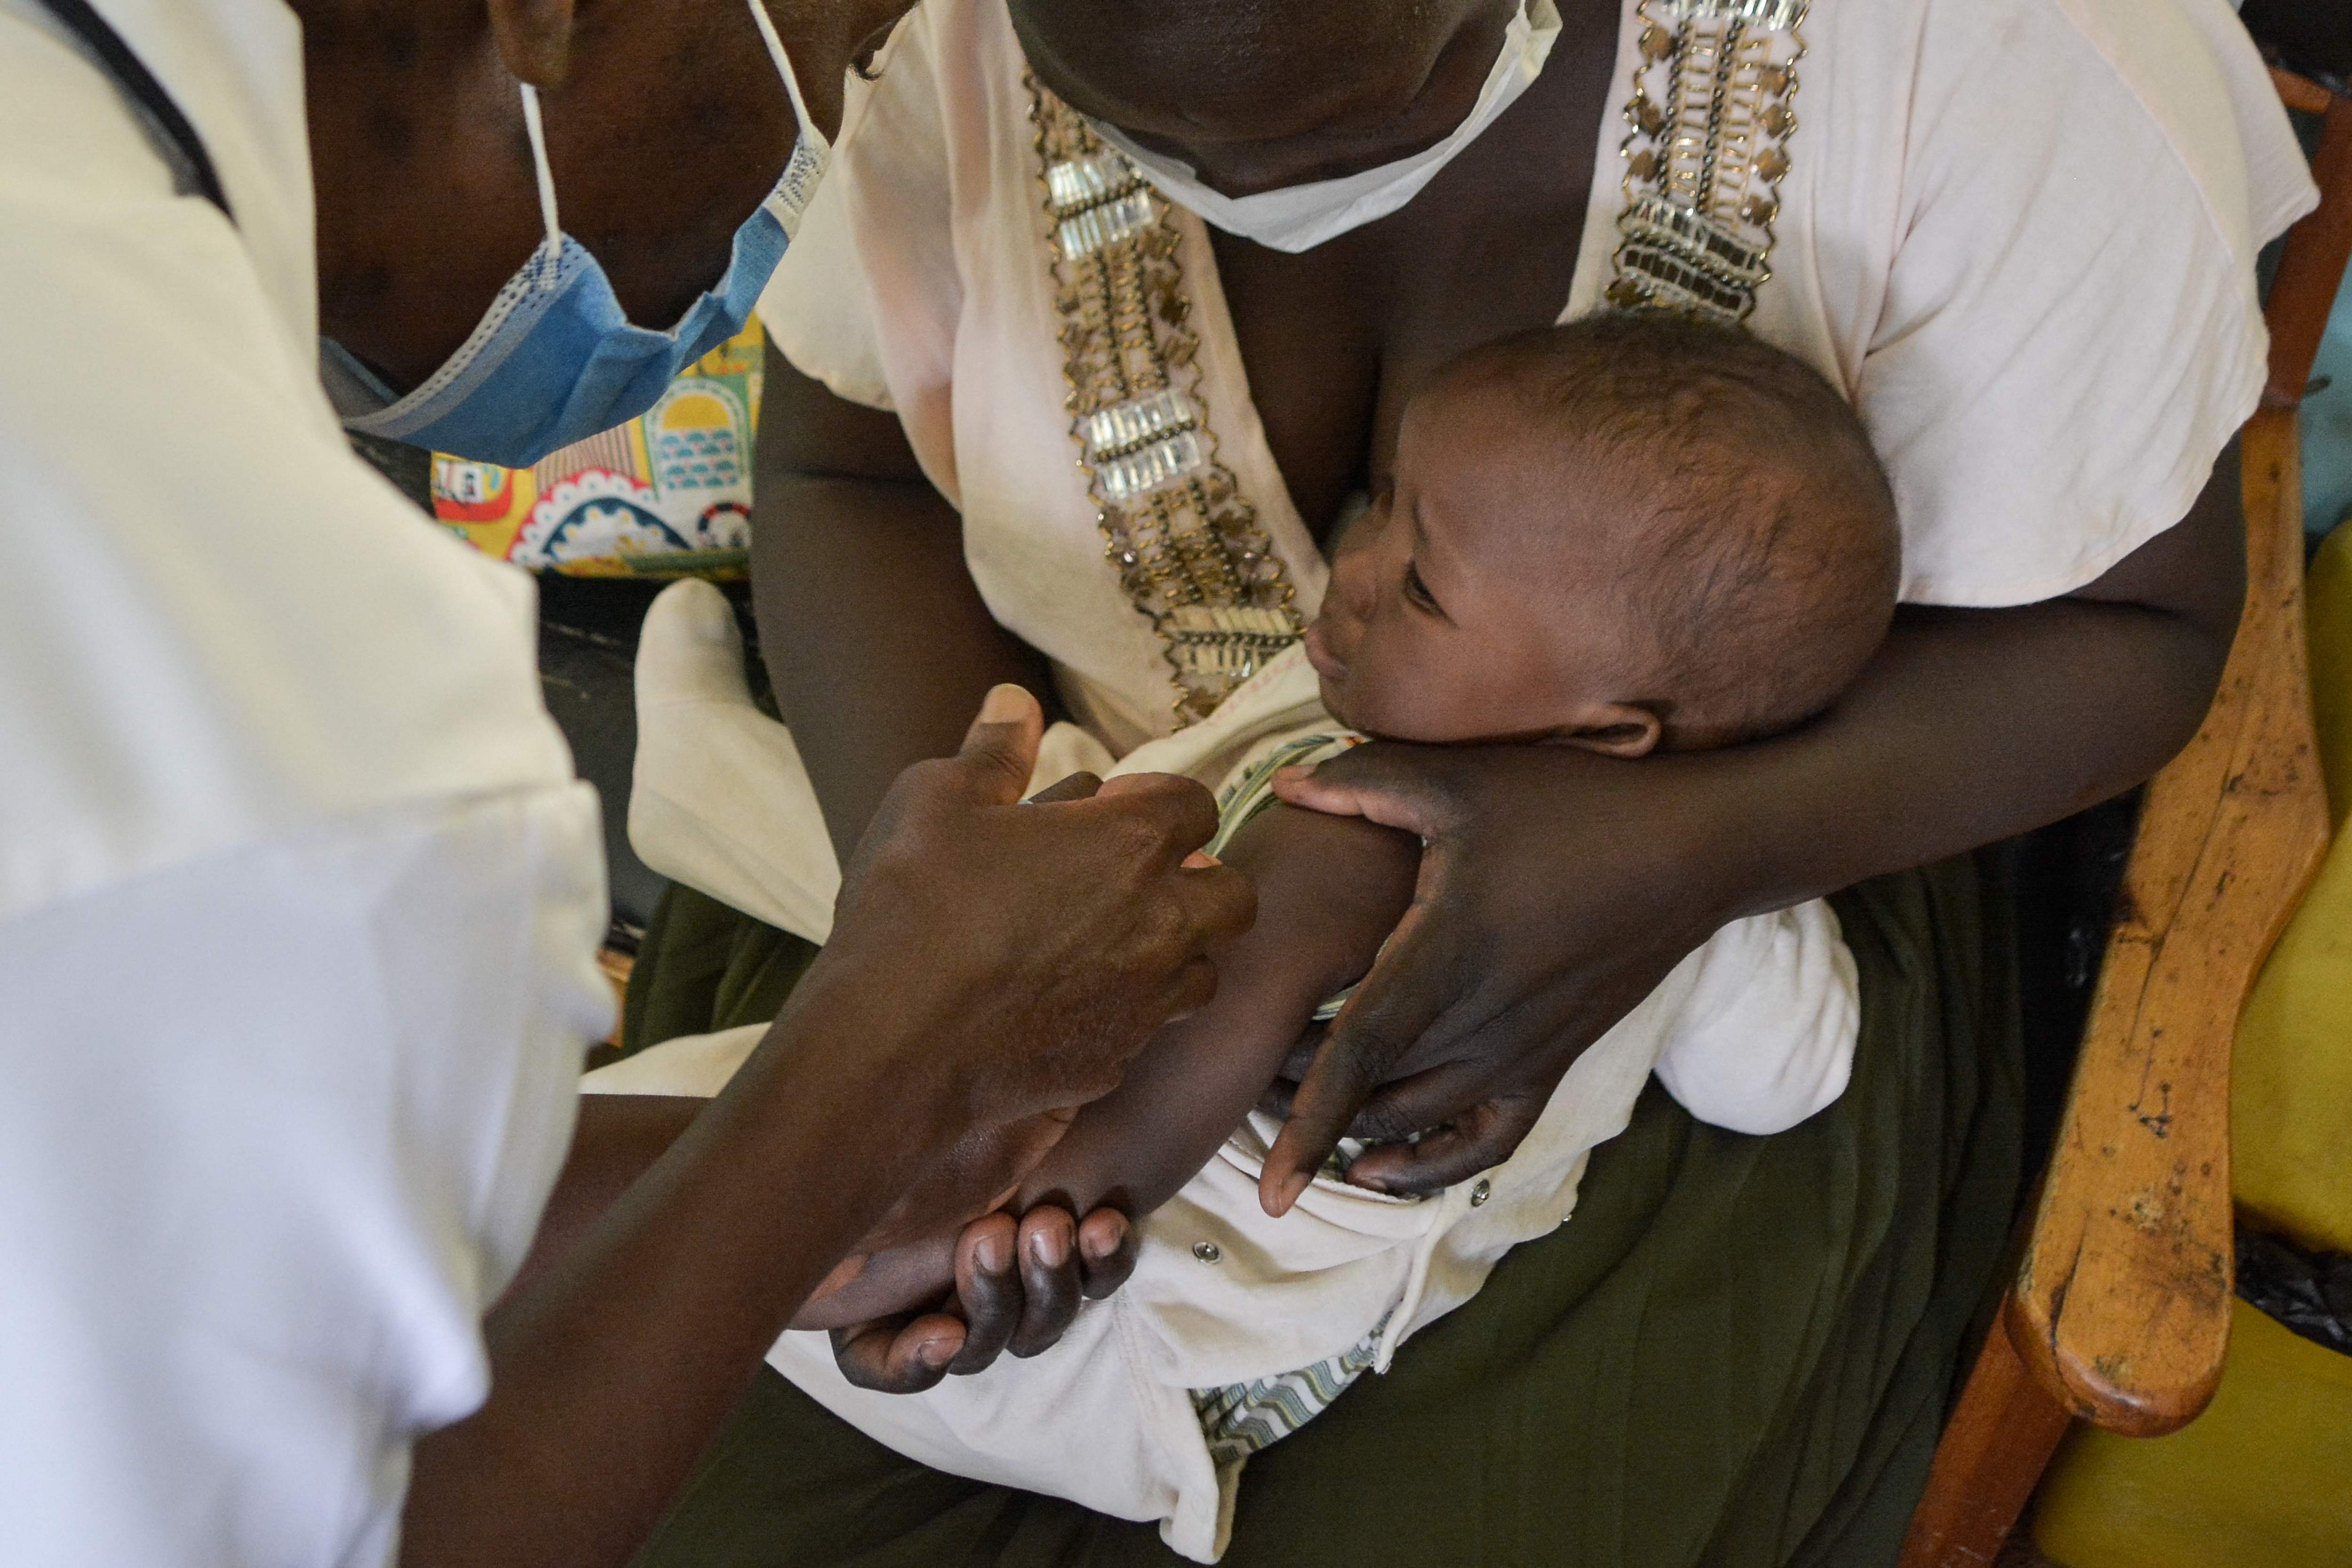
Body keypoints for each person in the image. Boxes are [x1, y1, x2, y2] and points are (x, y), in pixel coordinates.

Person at [611, 0, 2318, 1562]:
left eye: (1348, 110)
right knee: (668, 1475)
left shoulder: (2001, 58)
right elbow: (845, 469)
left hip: (1741, 872)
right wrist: (952, 979)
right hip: (985, 803)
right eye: (1126, 107)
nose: (1235, 181)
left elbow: (2139, 629)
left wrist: (1671, 852)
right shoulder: (914, 29)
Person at [0, 3, 1257, 1567]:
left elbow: (141, 1181)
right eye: (850, 47)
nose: (832, 146)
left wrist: (814, 1178)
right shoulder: (327, 732)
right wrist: (890, 1060)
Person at [640, 312, 1891, 1562]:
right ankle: (701, 791)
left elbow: (1145, 1125)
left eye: (1420, 586)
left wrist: (912, 1247)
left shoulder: (1368, 847)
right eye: (1387, 501)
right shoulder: (1662, 874)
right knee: (1026, 835)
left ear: (1612, 732)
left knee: (648, 1148)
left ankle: (700, 794)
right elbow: (1785, 1077)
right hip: (1227, 1332)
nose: (1353, 567)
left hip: (1103, 1347)